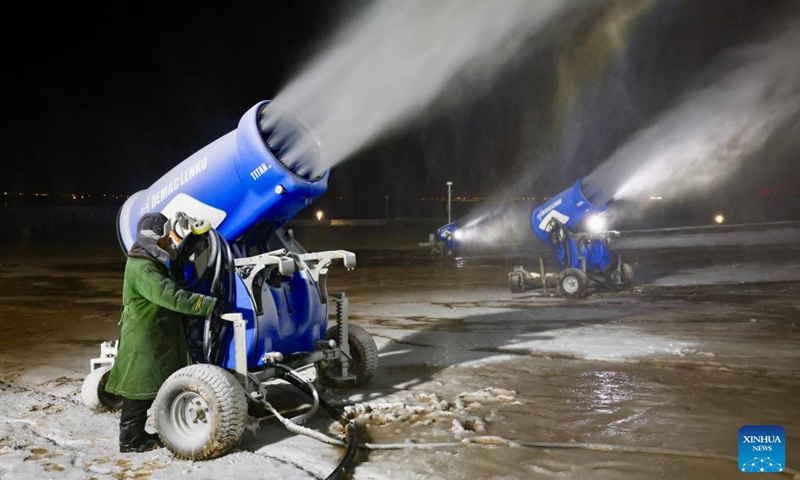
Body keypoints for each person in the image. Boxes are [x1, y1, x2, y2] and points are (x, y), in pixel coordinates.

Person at [105, 212, 218, 453]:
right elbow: (170, 295)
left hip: (153, 333)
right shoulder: (143, 266)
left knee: (146, 386)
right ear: (153, 240)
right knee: (138, 389)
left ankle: (136, 435)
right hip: (144, 338)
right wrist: (208, 304)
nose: (169, 242)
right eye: (165, 238)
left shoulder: (148, 260)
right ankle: (129, 441)